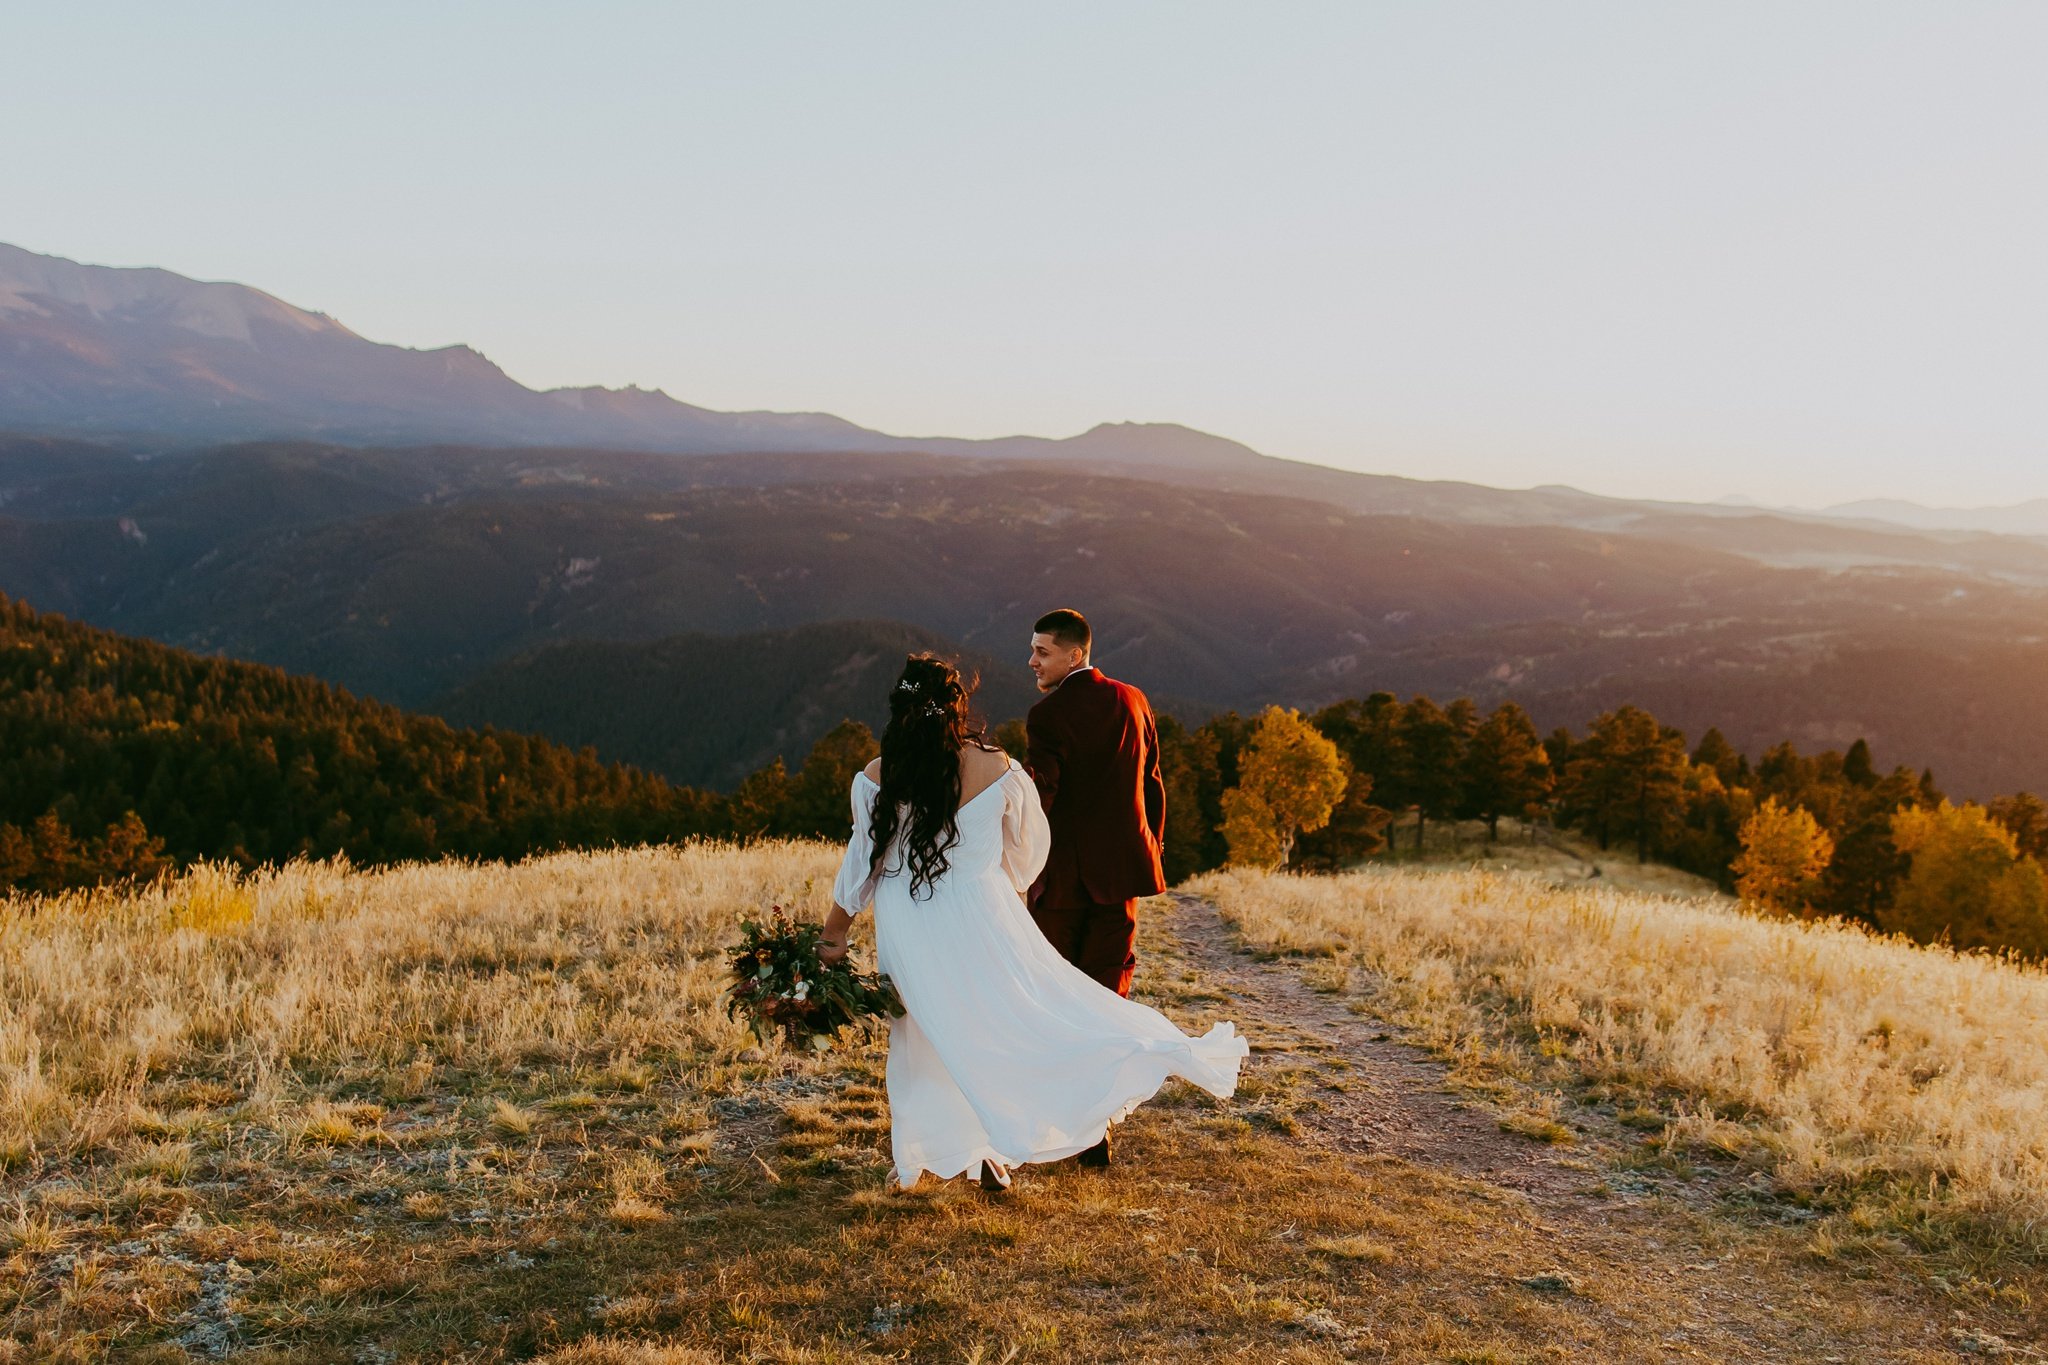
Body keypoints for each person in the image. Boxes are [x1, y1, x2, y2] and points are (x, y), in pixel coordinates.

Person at [817, 652, 1245, 1193]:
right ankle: (991, 1151)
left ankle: (942, 1151)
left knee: (925, 1036)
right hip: (983, 913)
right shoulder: (998, 769)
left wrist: (834, 935)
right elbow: (1026, 856)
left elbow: (863, 864)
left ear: (899, 710)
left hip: (910, 925)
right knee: (992, 1025)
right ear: (957, 709)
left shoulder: (876, 777)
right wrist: (997, 889)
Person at [1023, 608, 1170, 1165]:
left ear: (1075, 655)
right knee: (1108, 1000)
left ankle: (1066, 1122)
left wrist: (1020, 870)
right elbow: (1151, 780)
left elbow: (1043, 803)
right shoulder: (1134, 699)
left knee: (1059, 999)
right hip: (1122, 879)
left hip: (1063, 883)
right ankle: (1098, 1126)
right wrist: (1149, 850)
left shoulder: (1047, 715)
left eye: (1041, 651)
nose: (1032, 661)